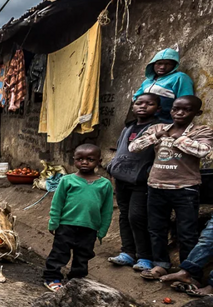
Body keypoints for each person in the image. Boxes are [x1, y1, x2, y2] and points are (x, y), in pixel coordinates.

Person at [129, 95, 213, 284]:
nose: (180, 113)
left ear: (197, 113)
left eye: (187, 110)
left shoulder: (202, 131)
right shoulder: (158, 129)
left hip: (186, 188)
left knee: (187, 232)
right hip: (156, 186)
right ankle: (160, 264)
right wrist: (155, 136)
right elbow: (134, 147)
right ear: (171, 110)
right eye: (176, 109)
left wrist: (180, 139)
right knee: (156, 229)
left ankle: (189, 272)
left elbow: (203, 151)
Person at [44, 144, 113, 292]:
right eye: (80, 159)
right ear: (74, 160)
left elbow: (107, 210)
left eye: (90, 159)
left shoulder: (105, 184)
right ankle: (52, 277)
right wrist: (54, 222)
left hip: (90, 227)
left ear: (99, 161)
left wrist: (102, 230)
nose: (84, 162)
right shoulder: (67, 180)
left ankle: (76, 280)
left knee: (83, 255)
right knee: (59, 253)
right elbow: (57, 203)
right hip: (66, 225)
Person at [106, 93, 160, 271]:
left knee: (137, 217)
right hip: (122, 178)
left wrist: (148, 172)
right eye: (139, 103)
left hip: (140, 181)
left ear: (158, 109)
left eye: (149, 104)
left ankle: (145, 256)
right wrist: (112, 166)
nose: (143, 106)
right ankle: (127, 252)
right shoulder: (128, 128)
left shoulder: (158, 129)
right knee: (124, 215)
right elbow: (121, 149)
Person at [134, 47, 193, 123]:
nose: (162, 67)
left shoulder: (180, 77)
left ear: (174, 65)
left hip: (165, 121)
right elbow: (136, 97)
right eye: (159, 63)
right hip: (144, 121)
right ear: (153, 64)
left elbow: (186, 101)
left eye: (168, 64)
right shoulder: (147, 81)